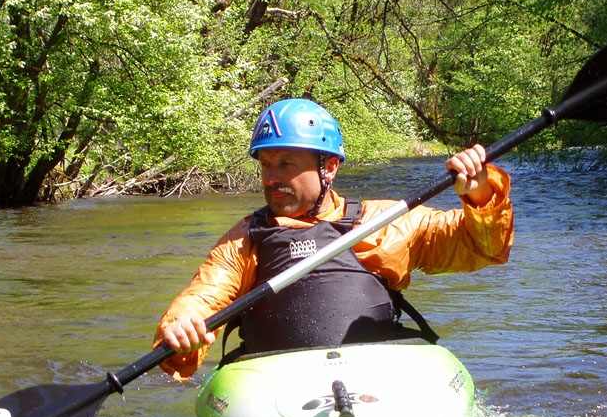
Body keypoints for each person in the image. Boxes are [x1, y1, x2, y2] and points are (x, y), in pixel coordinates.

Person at [154, 98, 513, 380]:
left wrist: (480, 192)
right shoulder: (246, 239)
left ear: (329, 167)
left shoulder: (384, 223)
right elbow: (203, 298)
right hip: (275, 385)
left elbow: (485, 248)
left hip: (375, 380)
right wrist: (182, 328)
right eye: (265, 165)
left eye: (286, 164)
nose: (271, 178)